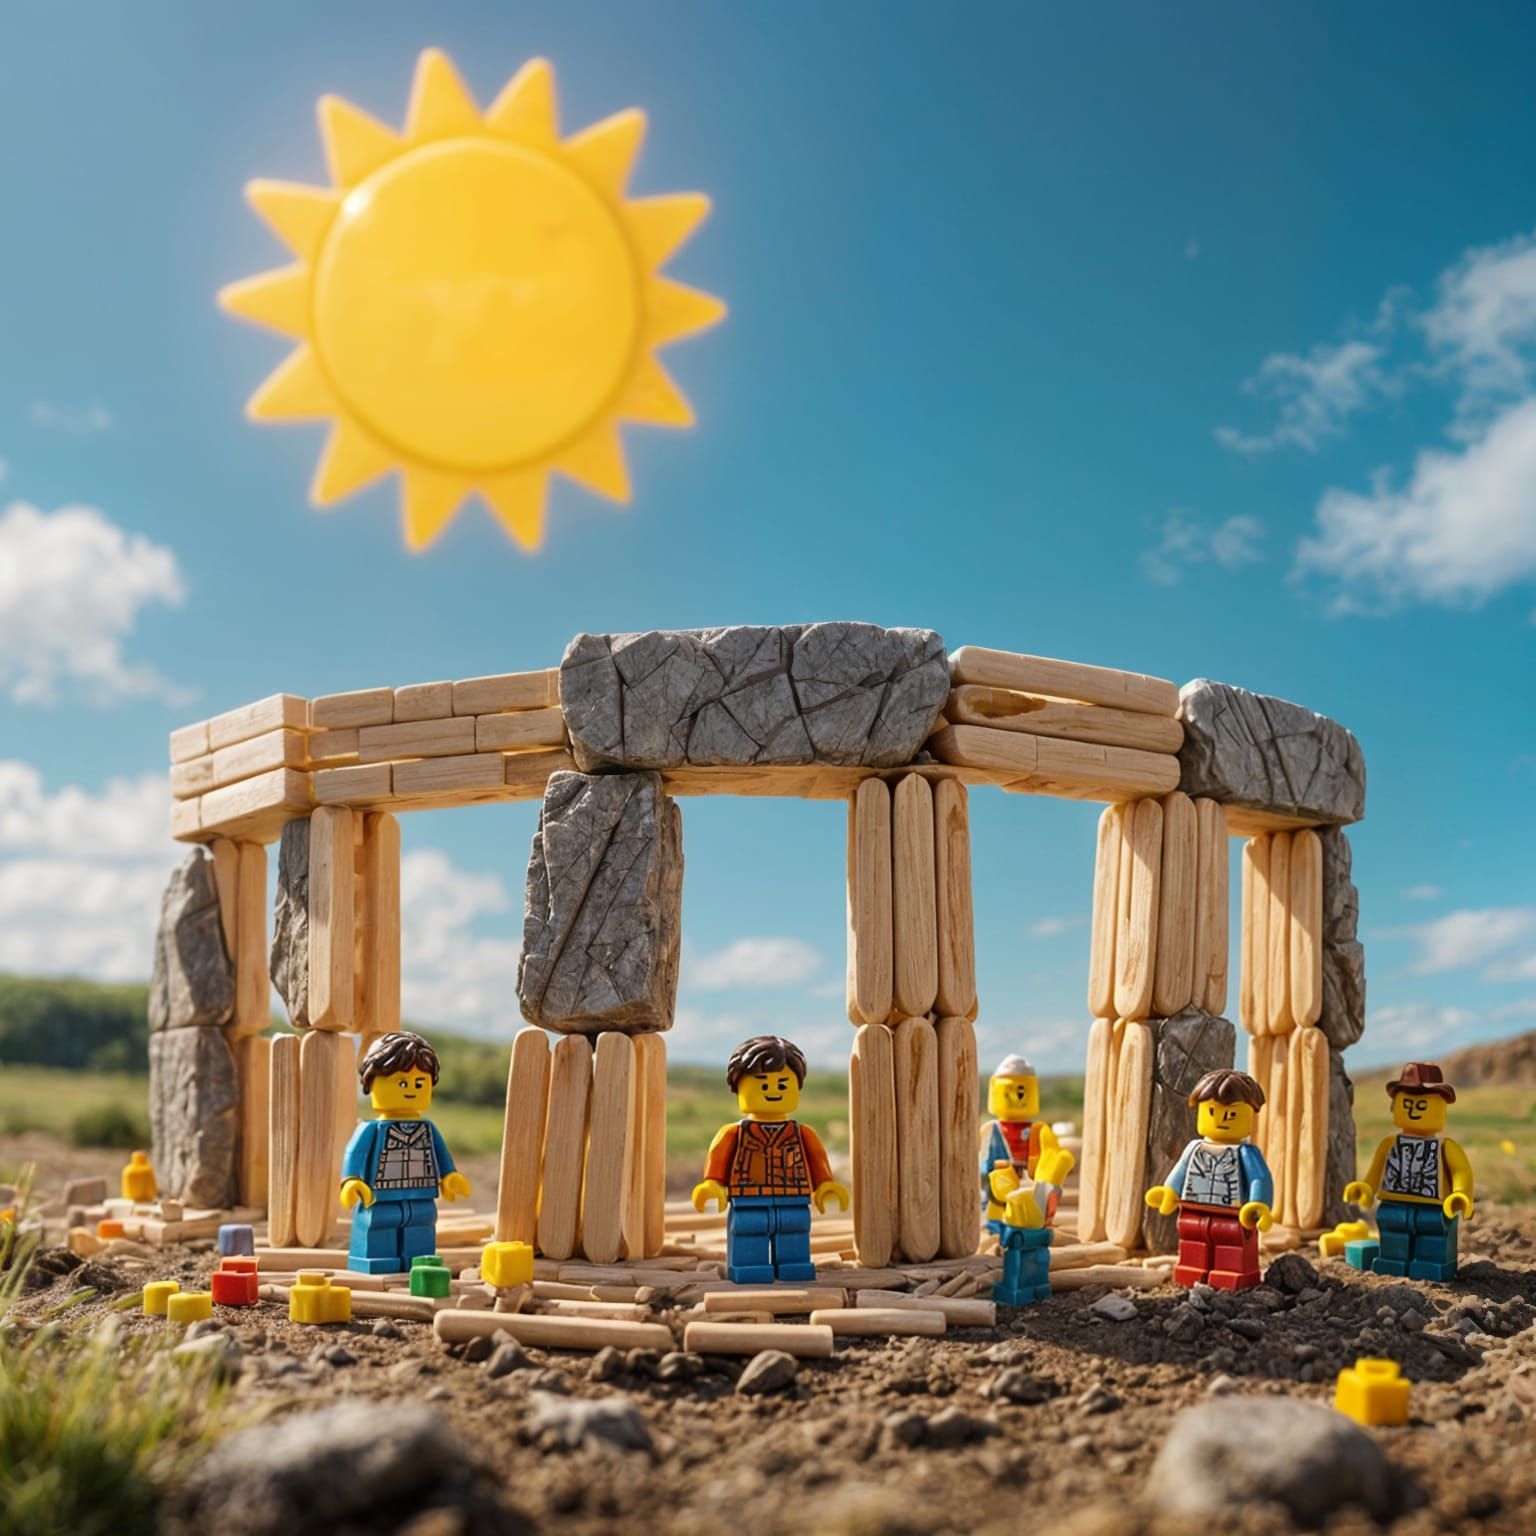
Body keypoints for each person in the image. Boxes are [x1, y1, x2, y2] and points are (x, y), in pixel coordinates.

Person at [692, 1035, 848, 1284]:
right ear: (738, 1088)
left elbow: (817, 1160)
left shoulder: (802, 1133)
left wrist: (825, 1185)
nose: (773, 1091)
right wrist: (712, 1184)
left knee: (794, 1228)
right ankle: (749, 1266)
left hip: (793, 1196)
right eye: (763, 1085)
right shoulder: (734, 1134)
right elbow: (718, 1159)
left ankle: (793, 1265)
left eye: (783, 1085)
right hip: (748, 1197)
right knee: (748, 1229)